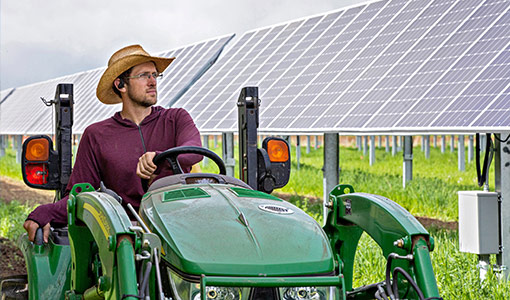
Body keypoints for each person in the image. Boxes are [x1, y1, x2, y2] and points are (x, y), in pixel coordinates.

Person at [23, 45, 203, 242]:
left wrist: (159, 159)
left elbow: (194, 152)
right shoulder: (97, 135)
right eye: (144, 75)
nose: (153, 82)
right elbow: (81, 196)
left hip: (178, 225)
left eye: (155, 75)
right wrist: (44, 212)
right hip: (127, 233)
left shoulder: (176, 118)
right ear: (120, 85)